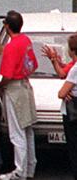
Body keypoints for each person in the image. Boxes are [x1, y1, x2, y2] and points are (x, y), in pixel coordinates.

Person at [0, 11, 38, 180]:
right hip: (26, 86)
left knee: (16, 132)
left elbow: (6, 75)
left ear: (7, 26)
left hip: (14, 89)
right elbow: (32, 64)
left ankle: (19, 171)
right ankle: (29, 167)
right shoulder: (26, 41)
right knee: (28, 129)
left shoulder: (11, 47)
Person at [57, 34, 77, 178]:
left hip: (73, 111)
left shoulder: (75, 69)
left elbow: (61, 93)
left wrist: (67, 92)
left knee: (73, 146)